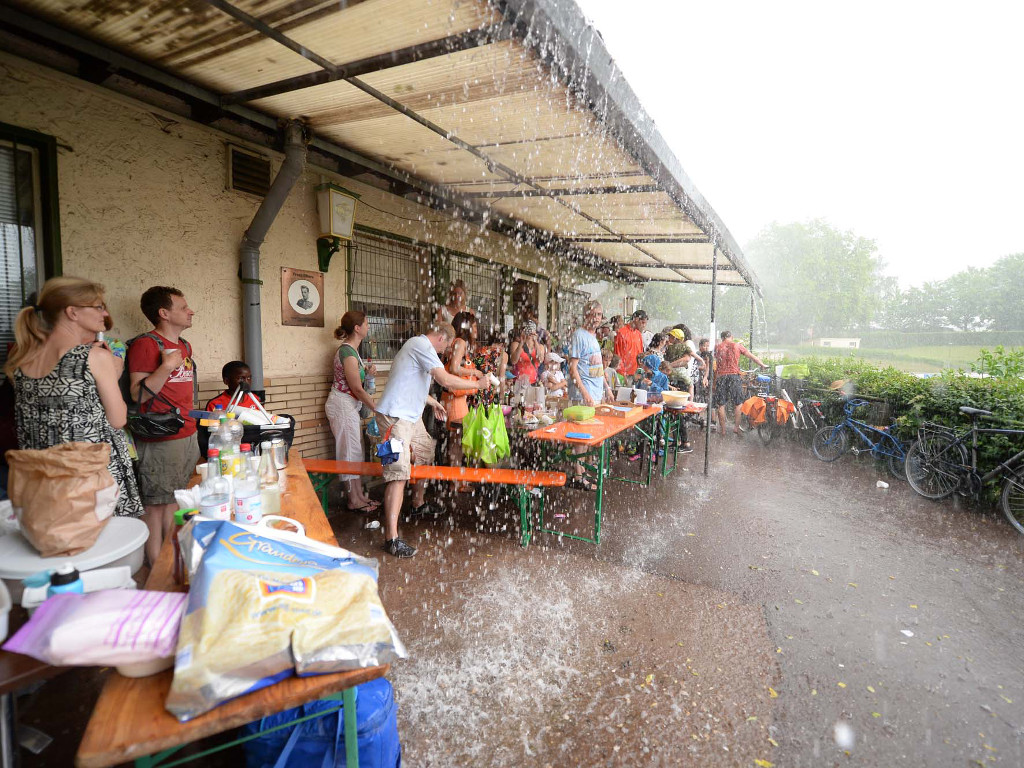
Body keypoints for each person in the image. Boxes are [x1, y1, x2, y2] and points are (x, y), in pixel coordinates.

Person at [6, 277, 143, 519]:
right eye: (99, 306)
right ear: (73, 312)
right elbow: (118, 419)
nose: (105, 312)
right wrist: (115, 371)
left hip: (44, 480)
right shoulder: (93, 357)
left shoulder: (23, 361)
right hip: (90, 477)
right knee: (103, 548)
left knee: (58, 544)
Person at [374, 322, 484, 558]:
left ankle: (418, 504)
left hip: (410, 418)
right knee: (398, 473)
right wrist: (477, 384)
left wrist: (432, 402)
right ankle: (391, 539)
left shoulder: (418, 347)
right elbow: (446, 380)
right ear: (442, 338)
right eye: (445, 350)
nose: (443, 354)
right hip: (394, 418)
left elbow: (408, 384)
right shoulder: (421, 344)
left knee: (425, 453)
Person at [127, 285, 200, 566]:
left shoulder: (185, 345)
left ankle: (171, 563)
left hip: (186, 432)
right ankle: (158, 567)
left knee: (175, 500)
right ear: (164, 313)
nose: (190, 310)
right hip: (160, 438)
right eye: (183, 307)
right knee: (156, 505)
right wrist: (166, 366)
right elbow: (138, 393)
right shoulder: (147, 345)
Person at [325, 311, 380, 513]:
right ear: (357, 328)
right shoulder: (347, 352)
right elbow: (356, 388)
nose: (368, 327)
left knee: (354, 452)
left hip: (348, 406)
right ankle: (353, 500)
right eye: (366, 323)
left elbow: (358, 383)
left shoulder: (352, 351)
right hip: (342, 406)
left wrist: (368, 373)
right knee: (348, 453)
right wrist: (376, 407)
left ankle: (359, 496)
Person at [567, 300, 605, 490]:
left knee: (587, 436)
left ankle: (582, 472)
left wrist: (607, 388)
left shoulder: (593, 336)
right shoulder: (578, 335)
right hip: (583, 395)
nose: (597, 318)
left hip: (595, 393)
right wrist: (585, 394)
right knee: (580, 437)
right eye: (594, 314)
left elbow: (598, 367)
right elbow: (573, 369)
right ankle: (577, 476)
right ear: (586, 315)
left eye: (599, 315)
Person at [441, 311, 479, 478]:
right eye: (475, 326)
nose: (477, 329)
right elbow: (455, 368)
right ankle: (455, 481)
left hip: (453, 397)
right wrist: (475, 372)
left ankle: (455, 480)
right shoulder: (461, 342)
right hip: (455, 399)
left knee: (455, 440)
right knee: (456, 441)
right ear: (467, 327)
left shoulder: (456, 342)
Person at [714, 330, 767, 436]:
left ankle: (723, 430)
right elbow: (751, 356)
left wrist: (714, 381)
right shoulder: (737, 346)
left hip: (721, 376)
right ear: (731, 337)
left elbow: (714, 362)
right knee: (738, 404)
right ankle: (736, 428)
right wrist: (762, 364)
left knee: (721, 404)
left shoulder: (717, 347)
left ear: (722, 338)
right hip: (734, 376)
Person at [614, 309, 647, 377]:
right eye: (643, 323)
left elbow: (640, 355)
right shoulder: (621, 333)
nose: (644, 326)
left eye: (645, 323)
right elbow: (617, 355)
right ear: (636, 319)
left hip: (636, 374)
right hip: (624, 374)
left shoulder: (638, 334)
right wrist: (623, 374)